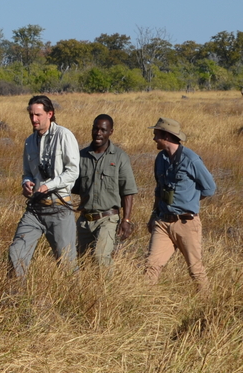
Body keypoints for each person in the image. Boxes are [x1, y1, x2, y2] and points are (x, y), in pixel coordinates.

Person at [8, 95, 79, 277]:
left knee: (66, 264)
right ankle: (18, 296)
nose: (34, 119)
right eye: (31, 115)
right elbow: (27, 172)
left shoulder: (64, 135)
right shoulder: (29, 141)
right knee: (16, 252)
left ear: (50, 114)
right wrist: (26, 183)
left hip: (60, 208)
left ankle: (75, 301)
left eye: (38, 115)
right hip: (35, 208)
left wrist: (48, 186)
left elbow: (73, 172)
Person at [144, 117, 216, 293]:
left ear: (166, 136)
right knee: (151, 266)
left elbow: (210, 188)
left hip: (186, 223)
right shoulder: (160, 158)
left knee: (195, 269)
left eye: (156, 135)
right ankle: (144, 305)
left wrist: (189, 200)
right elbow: (159, 190)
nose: (154, 139)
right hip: (163, 222)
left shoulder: (191, 159)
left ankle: (207, 306)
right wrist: (153, 216)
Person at [72, 114, 138, 267]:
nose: (98, 133)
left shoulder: (120, 157)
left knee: (101, 257)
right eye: (95, 129)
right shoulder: (81, 156)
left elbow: (128, 191)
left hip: (108, 218)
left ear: (111, 132)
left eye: (103, 130)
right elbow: (73, 186)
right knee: (82, 262)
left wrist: (126, 220)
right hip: (84, 220)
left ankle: (108, 289)